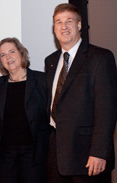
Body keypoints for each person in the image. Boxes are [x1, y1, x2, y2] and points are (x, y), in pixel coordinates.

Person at [45, 3, 117, 183]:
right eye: (58, 22)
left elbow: (107, 110)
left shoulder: (100, 57)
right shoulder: (51, 61)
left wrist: (99, 152)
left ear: (79, 25)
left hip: (88, 157)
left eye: (69, 21)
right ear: (54, 28)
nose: (63, 26)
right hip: (57, 153)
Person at [0, 37, 50, 183]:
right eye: (3, 55)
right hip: (6, 155)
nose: (8, 57)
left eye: (11, 51)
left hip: (34, 154)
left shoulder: (41, 80)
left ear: (21, 54)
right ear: (0, 61)